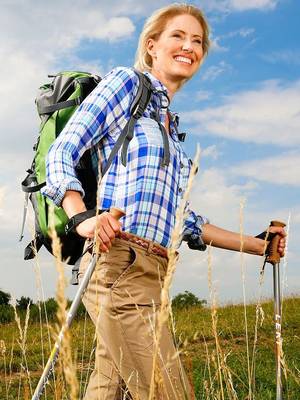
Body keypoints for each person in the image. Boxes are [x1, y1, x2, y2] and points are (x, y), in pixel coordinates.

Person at [42, 4, 286, 399]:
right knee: (167, 390)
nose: (190, 46)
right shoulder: (126, 85)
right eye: (178, 36)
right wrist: (82, 217)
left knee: (110, 389)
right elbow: (62, 151)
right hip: (118, 263)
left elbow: (183, 220)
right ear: (152, 46)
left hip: (155, 273)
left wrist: (257, 245)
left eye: (198, 41)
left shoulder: (171, 128)